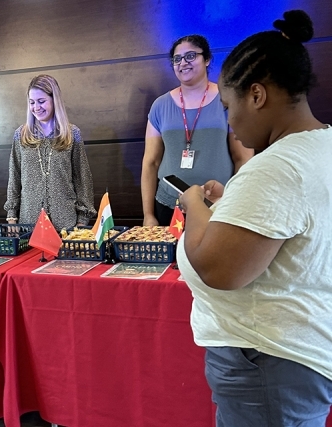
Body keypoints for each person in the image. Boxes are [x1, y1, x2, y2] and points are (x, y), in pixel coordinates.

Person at [177, 10, 332, 426]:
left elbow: (216, 268)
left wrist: (194, 205)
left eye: (229, 106)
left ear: (257, 96)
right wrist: (230, 206)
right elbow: (285, 230)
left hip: (268, 359)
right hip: (293, 355)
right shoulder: (322, 146)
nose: (229, 121)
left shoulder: (276, 166)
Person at [141, 34, 253, 226]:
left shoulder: (229, 100)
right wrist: (148, 214)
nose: (183, 63)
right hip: (168, 206)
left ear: (207, 59)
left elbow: (243, 159)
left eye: (191, 56)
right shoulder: (160, 106)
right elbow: (151, 162)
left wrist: (235, 202)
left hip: (217, 205)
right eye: (177, 59)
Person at [4, 74, 96, 231]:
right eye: (32, 102)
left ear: (55, 100)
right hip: (29, 227)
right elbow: (15, 176)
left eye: (41, 101)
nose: (36, 107)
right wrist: (12, 216)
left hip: (66, 226)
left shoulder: (72, 134)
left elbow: (82, 179)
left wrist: (83, 220)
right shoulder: (21, 134)